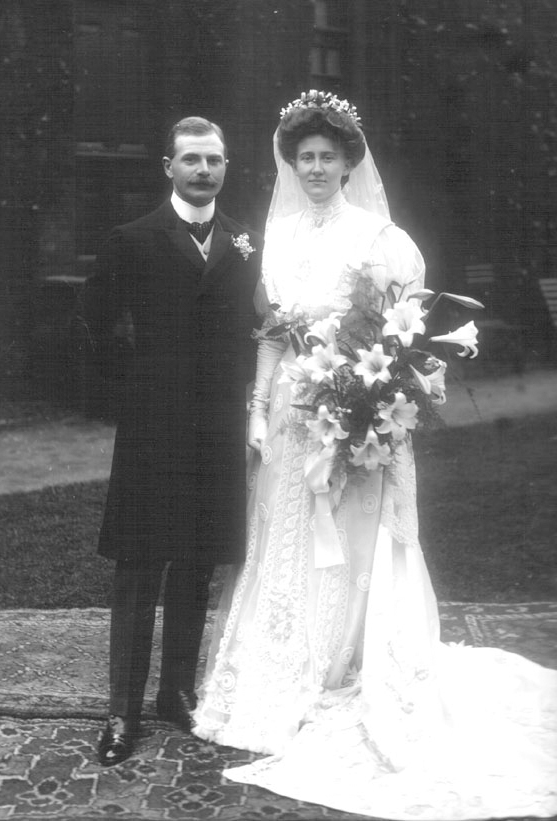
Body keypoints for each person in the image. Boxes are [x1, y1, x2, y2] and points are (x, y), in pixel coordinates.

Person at [192, 93, 557, 819]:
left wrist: (367, 412)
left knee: (353, 542)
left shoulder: (381, 237)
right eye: (307, 158)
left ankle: (349, 663)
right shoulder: (280, 233)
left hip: (351, 407)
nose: (318, 167)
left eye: (330, 157)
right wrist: (259, 410)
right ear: (292, 164)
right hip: (294, 412)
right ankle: (280, 670)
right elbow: (270, 331)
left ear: (350, 163)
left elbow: (401, 336)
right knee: (285, 535)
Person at [84, 116, 262, 766]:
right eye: (190, 159)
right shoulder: (131, 239)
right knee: (139, 568)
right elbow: (94, 323)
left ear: (225, 166)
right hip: (151, 432)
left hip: (216, 431)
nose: (203, 170)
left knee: (195, 563)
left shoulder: (247, 241)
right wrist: (131, 389)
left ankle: (176, 693)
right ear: (167, 166)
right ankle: (120, 712)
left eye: (214, 159)